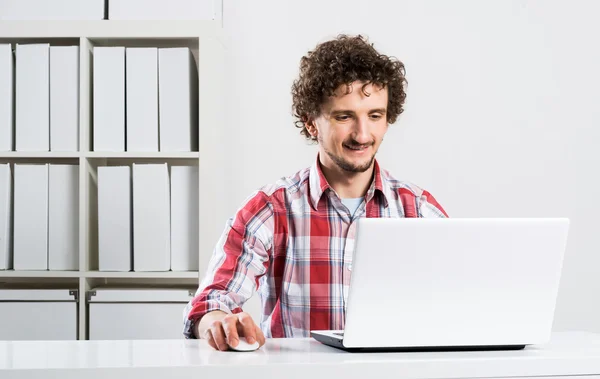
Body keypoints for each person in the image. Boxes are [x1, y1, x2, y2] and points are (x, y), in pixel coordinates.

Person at [182, 34, 448, 351]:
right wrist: (218, 320)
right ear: (311, 123)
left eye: (375, 116)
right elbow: (212, 301)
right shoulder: (271, 208)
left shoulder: (417, 209)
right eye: (344, 116)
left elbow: (466, 296)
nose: (363, 134)